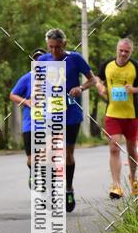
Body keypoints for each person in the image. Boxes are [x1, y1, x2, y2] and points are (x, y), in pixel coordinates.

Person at [36, 29, 97, 213]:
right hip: (52, 112)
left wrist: (80, 87)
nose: (54, 51)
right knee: (49, 152)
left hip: (71, 113)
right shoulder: (43, 60)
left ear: (64, 43)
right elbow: (38, 83)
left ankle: (68, 188)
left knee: (67, 154)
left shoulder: (75, 58)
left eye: (57, 47)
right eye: (51, 47)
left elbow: (92, 80)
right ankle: (49, 192)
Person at [95, 37, 138, 198]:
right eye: (121, 50)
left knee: (132, 149)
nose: (123, 54)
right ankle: (116, 185)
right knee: (114, 147)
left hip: (131, 114)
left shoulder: (135, 66)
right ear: (117, 49)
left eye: (126, 51)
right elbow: (97, 78)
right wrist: (100, 86)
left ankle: (134, 179)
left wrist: (134, 90)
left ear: (130, 52)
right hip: (113, 113)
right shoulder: (107, 65)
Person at [9, 50, 47, 187]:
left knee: (44, 155)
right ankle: (33, 173)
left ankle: (42, 179)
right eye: (36, 60)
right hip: (30, 124)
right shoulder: (27, 78)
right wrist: (26, 102)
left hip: (47, 125)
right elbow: (13, 95)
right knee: (31, 159)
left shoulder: (54, 78)